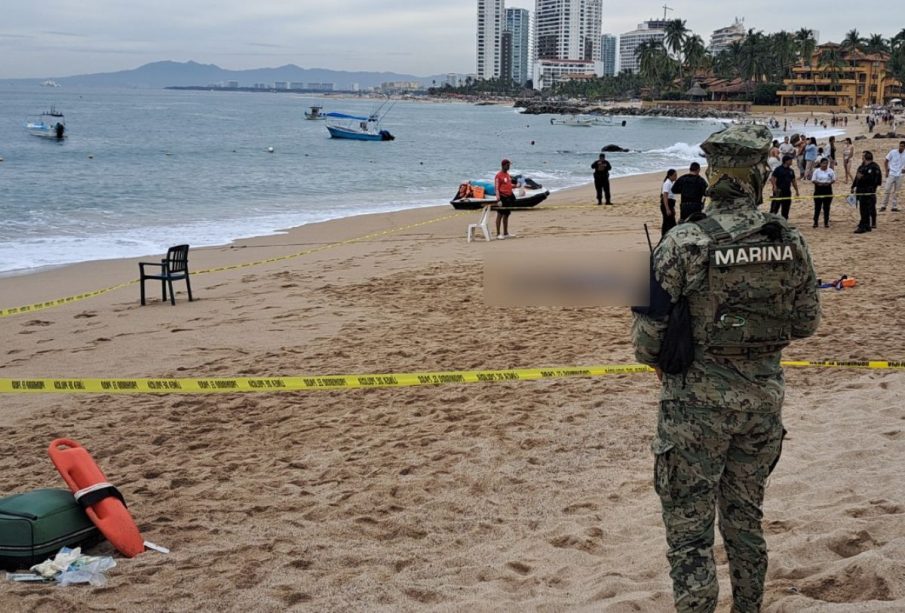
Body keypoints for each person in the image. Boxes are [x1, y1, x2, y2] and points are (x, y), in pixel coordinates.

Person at [631, 124, 821, 613]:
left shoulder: (680, 244)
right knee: (745, 522)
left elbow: (646, 340)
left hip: (694, 409)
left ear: (714, 177)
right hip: (761, 403)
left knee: (690, 536)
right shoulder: (790, 240)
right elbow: (805, 324)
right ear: (759, 176)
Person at [852, 151, 884, 233]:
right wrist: (853, 186)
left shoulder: (874, 167)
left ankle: (864, 226)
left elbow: (875, 181)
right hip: (861, 191)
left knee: (868, 209)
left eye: (863, 156)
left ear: (866, 157)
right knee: (863, 209)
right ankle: (866, 225)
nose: (862, 158)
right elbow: (857, 177)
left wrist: (862, 178)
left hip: (869, 192)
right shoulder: (862, 166)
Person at [770, 154, 799, 219]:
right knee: (775, 207)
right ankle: (771, 221)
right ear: (786, 161)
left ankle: (785, 220)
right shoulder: (778, 169)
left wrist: (796, 190)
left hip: (787, 191)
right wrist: (774, 186)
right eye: (790, 160)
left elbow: (793, 181)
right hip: (778, 191)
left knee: (786, 208)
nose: (791, 161)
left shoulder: (791, 171)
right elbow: (772, 178)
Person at [879, 141, 905, 212]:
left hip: (900, 175)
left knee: (896, 191)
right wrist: (886, 171)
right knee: (887, 189)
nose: (901, 147)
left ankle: (894, 206)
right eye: (900, 146)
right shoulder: (893, 152)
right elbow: (886, 161)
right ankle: (883, 206)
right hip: (891, 173)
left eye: (902, 146)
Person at [493, 159, 516, 239]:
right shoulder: (498, 176)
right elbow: (496, 188)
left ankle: (506, 233)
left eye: (509, 165)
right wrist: (498, 199)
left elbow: (509, 185)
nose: (509, 166)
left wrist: (516, 186)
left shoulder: (507, 174)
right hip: (502, 197)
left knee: (506, 215)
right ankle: (498, 234)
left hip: (509, 197)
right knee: (500, 215)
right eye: (507, 165)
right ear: (503, 165)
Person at [811, 157, 835, 228]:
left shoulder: (830, 171)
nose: (825, 165)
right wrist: (818, 183)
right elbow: (813, 180)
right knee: (817, 207)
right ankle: (815, 222)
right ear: (820, 164)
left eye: (826, 163)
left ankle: (826, 222)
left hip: (828, 189)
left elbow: (833, 179)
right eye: (824, 163)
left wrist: (829, 183)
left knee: (826, 207)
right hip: (818, 189)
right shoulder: (816, 171)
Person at [660, 169, 678, 236]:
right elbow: (665, 196)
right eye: (674, 175)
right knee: (667, 222)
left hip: (670, 204)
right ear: (670, 176)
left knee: (671, 221)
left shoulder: (671, 183)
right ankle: (664, 235)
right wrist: (667, 209)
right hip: (667, 204)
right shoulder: (667, 183)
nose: (676, 177)